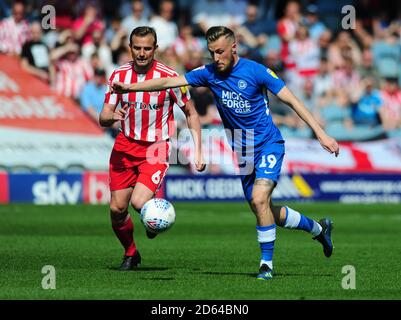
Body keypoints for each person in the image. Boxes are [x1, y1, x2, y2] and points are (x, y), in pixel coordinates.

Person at [111, 26, 340, 280]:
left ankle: (266, 266)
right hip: (242, 150)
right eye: (211, 53)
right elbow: (168, 81)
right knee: (262, 207)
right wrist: (131, 89)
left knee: (260, 197)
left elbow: (293, 101)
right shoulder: (208, 73)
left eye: (220, 52)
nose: (216, 58)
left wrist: (321, 133)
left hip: (267, 144)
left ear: (234, 47)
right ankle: (319, 229)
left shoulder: (256, 71)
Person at [99, 26, 205, 271]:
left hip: (155, 147)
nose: (142, 53)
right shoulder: (119, 76)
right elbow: (103, 116)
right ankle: (131, 253)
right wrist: (112, 116)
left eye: (147, 48)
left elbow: (191, 113)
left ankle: (152, 218)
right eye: (137, 48)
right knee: (116, 209)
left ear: (155, 49)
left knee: (139, 203)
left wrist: (198, 150)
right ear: (130, 47)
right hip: (125, 146)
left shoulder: (170, 77)